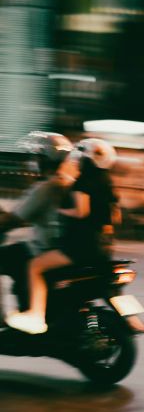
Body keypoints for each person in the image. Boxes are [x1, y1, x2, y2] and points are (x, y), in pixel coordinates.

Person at [6, 138, 118, 336]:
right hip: (102, 249)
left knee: (32, 266)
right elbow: (115, 216)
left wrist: (62, 211)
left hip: (74, 247)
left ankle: (35, 316)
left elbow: (81, 211)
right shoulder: (103, 184)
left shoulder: (68, 185)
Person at [0, 132, 76, 311]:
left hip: (43, 249)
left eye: (36, 157)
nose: (33, 161)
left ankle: (23, 312)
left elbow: (13, 219)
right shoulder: (67, 182)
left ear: (44, 159)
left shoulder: (46, 187)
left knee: (10, 257)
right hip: (60, 247)